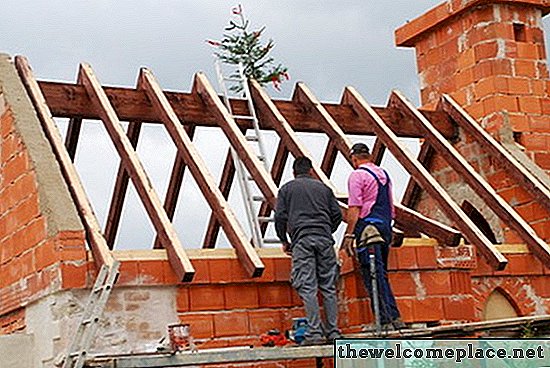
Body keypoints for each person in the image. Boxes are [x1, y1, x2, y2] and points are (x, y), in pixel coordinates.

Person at [275, 156, 343, 344]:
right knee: (328, 287)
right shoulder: (324, 189)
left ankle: (314, 333)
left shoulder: (287, 189)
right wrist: (326, 229)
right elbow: (337, 214)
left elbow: (280, 217)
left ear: (293, 172)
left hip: (302, 241)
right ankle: (333, 332)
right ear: (311, 171)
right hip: (324, 240)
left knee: (308, 287)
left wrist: (284, 240)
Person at [341, 143, 404, 331]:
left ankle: (386, 319)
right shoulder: (384, 175)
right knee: (382, 273)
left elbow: (354, 208)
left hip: (368, 229)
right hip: (384, 227)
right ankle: (392, 317)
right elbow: (391, 207)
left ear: (354, 158)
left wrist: (350, 233)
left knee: (372, 274)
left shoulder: (357, 176)